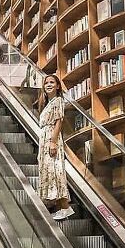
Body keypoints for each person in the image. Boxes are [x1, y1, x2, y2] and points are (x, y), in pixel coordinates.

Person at [38, 73, 74, 220]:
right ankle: (60, 206)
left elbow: (59, 122)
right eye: (46, 82)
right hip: (45, 139)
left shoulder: (58, 100)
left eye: (52, 82)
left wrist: (53, 141)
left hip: (51, 138)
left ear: (58, 86)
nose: (49, 85)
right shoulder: (48, 104)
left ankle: (65, 207)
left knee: (55, 171)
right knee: (50, 171)